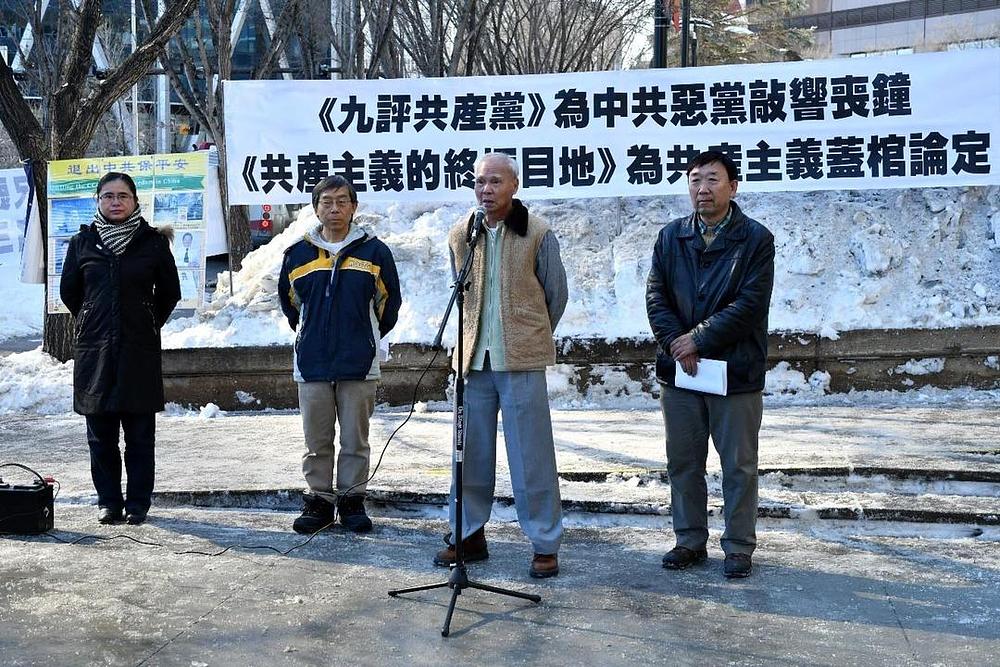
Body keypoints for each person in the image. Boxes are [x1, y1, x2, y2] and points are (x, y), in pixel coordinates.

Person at [433, 153, 568, 579]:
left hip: (521, 359)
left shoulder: (538, 233)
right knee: (468, 453)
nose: (486, 190)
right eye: (479, 182)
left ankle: (544, 542)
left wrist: (528, 332)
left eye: (495, 182)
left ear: (514, 186)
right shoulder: (462, 234)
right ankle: (467, 533)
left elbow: (555, 296)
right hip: (472, 359)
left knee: (531, 456)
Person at [646, 151, 775, 578]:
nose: (702, 188)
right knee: (683, 461)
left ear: (733, 187)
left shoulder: (755, 240)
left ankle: (738, 546)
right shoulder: (670, 237)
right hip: (681, 373)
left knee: (738, 465)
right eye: (695, 180)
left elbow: (749, 305)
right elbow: (656, 297)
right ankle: (689, 540)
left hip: (734, 373)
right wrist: (676, 344)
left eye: (713, 180)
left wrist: (697, 338)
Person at [278, 175, 401, 534]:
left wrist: (363, 334)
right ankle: (319, 500)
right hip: (313, 362)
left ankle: (351, 501)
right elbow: (291, 306)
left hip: (358, 362)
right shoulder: (297, 254)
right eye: (327, 202)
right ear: (315, 208)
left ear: (354, 207)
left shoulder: (374, 252)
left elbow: (388, 304)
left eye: (342, 201)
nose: (334, 209)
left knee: (355, 438)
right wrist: (314, 334)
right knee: (316, 439)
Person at [59, 172, 181, 526]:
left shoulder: (153, 242)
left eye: (123, 196)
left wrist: (146, 321)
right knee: (101, 437)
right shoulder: (82, 243)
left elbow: (169, 293)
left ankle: (138, 503)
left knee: (140, 436)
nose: (116, 202)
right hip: (94, 352)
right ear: (98, 201)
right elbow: (71, 293)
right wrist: (94, 319)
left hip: (138, 351)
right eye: (109, 196)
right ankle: (108, 502)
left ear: (134, 201)